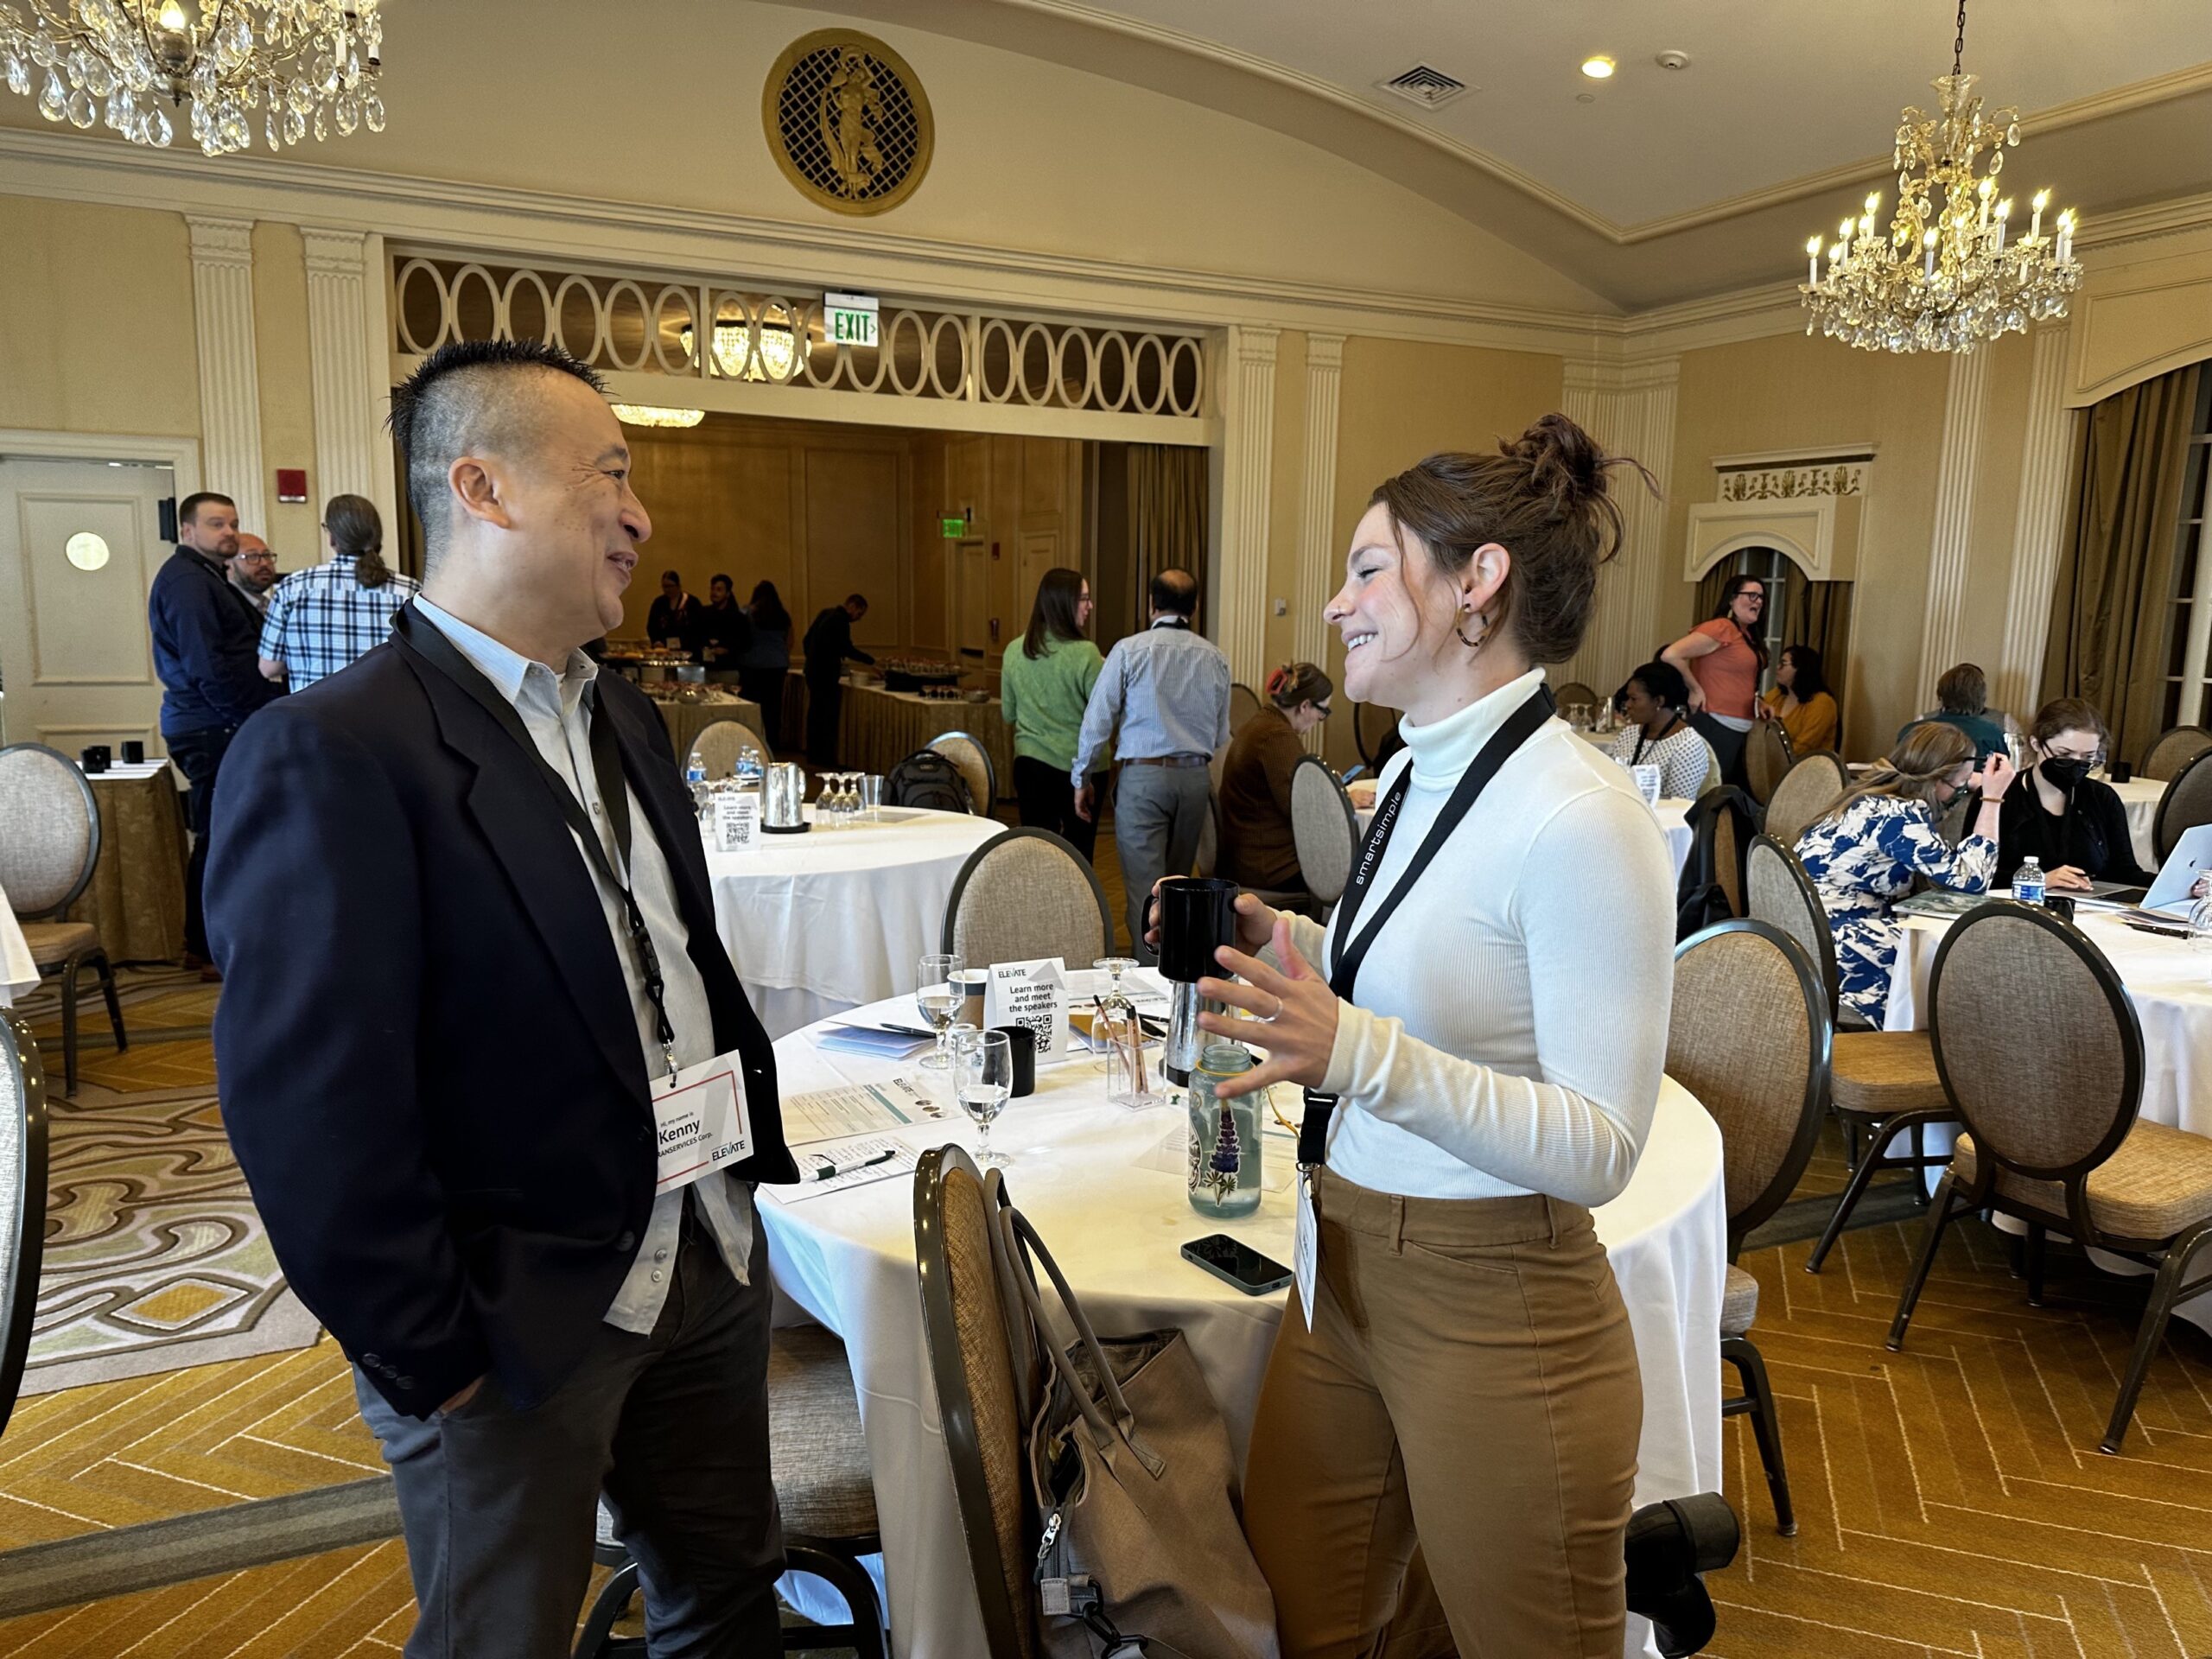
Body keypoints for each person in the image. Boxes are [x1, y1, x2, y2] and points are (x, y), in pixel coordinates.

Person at [205, 338, 798, 1657]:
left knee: (724, 1602)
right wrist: (431, 1353)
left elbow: (670, 966)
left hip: (703, 1253)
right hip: (514, 1313)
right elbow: (311, 1109)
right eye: (612, 474)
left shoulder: (627, 719)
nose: (643, 516)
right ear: (482, 488)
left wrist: (738, 1201)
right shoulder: (330, 752)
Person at [1152, 416, 1670, 1654]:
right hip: (1344, 1269)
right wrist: (1310, 953)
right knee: (1310, 1618)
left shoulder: (1581, 817)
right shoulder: (1426, 772)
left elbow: (1602, 1146)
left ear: (1477, 582)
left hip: (1498, 1304)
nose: (1338, 605)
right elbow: (1448, 985)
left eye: (1370, 568)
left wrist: (1354, 1053)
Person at [146, 491, 284, 976]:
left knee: (222, 832)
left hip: (218, 720)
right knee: (218, 835)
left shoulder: (204, 577)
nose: (227, 532)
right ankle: (205, 947)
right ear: (188, 531)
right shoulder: (187, 582)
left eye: (232, 523)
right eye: (215, 524)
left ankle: (211, 943)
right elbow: (206, 663)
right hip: (213, 724)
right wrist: (246, 719)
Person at [1796, 721, 2014, 1027]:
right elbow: (1970, 881)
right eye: (1960, 785)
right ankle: (1938, 1052)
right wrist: (1993, 799)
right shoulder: (1899, 816)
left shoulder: (1869, 796)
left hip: (1808, 932)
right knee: (1956, 961)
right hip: (1839, 944)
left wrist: (1967, 779)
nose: (1961, 793)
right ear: (1936, 779)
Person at [1071, 568, 1230, 958]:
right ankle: (1177, 978)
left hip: (1144, 779)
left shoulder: (1130, 650)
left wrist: (1082, 778)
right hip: (1195, 780)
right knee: (1177, 888)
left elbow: (1097, 719)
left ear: (1151, 604)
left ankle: (1148, 985)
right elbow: (1221, 735)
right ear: (1194, 607)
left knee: (1147, 892)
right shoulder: (1215, 658)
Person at [257, 493, 422, 691]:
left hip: (315, 715)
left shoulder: (292, 588)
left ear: (332, 537)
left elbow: (268, 668)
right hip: (387, 715)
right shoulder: (410, 591)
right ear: (377, 536)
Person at [1000, 568, 1106, 860]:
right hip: (1080, 771)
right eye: (1084, 598)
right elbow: (1104, 719)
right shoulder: (1086, 653)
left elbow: (1008, 714)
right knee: (1079, 861)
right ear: (1064, 603)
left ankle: (1039, 907)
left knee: (1037, 857)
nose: (1090, 605)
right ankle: (1078, 908)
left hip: (1030, 766)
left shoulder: (1013, 650)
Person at [1996, 697, 2154, 891]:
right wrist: (2039, 880)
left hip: (2090, 910)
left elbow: (2125, 872)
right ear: (2036, 743)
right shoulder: (2001, 794)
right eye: (2064, 754)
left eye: (2088, 757)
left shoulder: (2102, 798)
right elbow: (1978, 875)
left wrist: (2172, 884)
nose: (2076, 764)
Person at [1217, 661, 1332, 893]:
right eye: (1323, 712)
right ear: (1305, 706)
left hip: (1245, 859)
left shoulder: (1262, 723)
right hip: (1268, 868)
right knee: (1352, 875)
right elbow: (1302, 810)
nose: (1320, 719)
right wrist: (1342, 799)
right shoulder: (1277, 736)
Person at [1661, 573, 1766, 785]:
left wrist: (1758, 702)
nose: (1758, 602)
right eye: (1752, 595)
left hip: (1740, 727)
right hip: (1715, 723)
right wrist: (1695, 689)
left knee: (1725, 793)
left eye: (1761, 597)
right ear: (1731, 599)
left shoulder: (1748, 635)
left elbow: (1741, 677)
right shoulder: (1721, 627)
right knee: (1708, 791)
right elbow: (1671, 655)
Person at [1606, 658, 1718, 800]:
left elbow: (1679, 805)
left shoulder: (1687, 745)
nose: (1627, 705)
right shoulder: (1629, 734)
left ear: (1659, 701)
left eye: (1634, 699)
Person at [802, 593, 874, 766]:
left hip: (812, 671)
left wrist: (812, 658)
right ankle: (825, 756)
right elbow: (847, 648)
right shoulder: (840, 621)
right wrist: (871, 661)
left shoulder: (825, 614)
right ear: (852, 606)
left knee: (815, 714)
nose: (858, 618)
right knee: (827, 716)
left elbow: (806, 640)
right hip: (826, 675)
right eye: (859, 614)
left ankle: (813, 754)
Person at [1897, 662, 2008, 761]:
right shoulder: (1991, 734)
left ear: (1940, 696)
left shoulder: (1910, 731)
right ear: (1981, 698)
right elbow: (2003, 774)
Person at [738, 580, 793, 749]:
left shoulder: (748, 613)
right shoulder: (782, 615)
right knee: (773, 707)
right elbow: (790, 640)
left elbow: (742, 637)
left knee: (752, 706)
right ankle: (772, 742)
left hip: (753, 664)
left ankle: (752, 739)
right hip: (777, 664)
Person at [1759, 643, 1840, 754]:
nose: (1778, 667)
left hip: (1808, 766)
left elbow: (1805, 746)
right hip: (1771, 761)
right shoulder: (1776, 695)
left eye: (1783, 663)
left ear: (1801, 668)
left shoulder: (1822, 702)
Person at [694, 572, 754, 677]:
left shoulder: (738, 617)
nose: (714, 593)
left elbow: (746, 644)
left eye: (719, 590)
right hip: (705, 669)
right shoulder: (703, 613)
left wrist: (727, 650)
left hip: (728, 669)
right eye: (712, 589)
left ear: (728, 593)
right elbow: (694, 636)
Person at [644, 568, 702, 652]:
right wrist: (656, 641)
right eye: (664, 586)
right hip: (663, 648)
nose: (667, 590)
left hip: (687, 649)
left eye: (670, 586)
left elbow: (698, 627)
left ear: (678, 586)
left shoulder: (692, 603)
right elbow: (652, 625)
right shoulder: (659, 603)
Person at [226, 531, 280, 617]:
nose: (264, 563)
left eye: (266, 555)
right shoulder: (226, 610)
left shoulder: (268, 605)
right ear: (228, 564)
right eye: (252, 556)